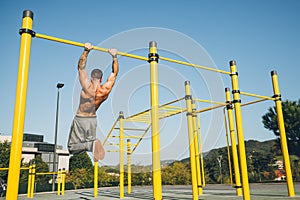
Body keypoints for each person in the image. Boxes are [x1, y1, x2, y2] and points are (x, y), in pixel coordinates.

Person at [68, 42, 119, 161]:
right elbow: (114, 73)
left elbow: (81, 67)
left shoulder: (87, 87)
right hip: (92, 120)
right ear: (101, 78)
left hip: (81, 118)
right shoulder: (104, 90)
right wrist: (114, 57)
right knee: (89, 142)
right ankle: (92, 144)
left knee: (71, 147)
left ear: (91, 77)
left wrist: (86, 51)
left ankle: (91, 145)